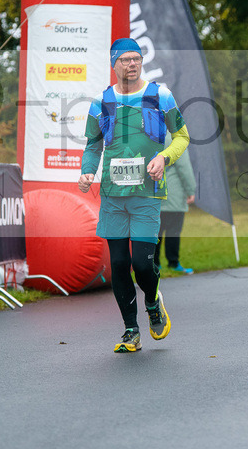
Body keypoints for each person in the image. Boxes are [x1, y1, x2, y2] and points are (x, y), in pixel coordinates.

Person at [78, 38, 190, 353]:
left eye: (136, 58)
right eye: (125, 59)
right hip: (113, 197)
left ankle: (153, 302)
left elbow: (182, 136)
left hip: (147, 194)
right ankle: (131, 330)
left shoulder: (161, 96)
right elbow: (92, 145)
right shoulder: (101, 103)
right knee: (119, 263)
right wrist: (87, 171)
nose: (132, 63)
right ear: (114, 64)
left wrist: (164, 157)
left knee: (142, 263)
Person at [155, 130, 197, 274]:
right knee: (173, 230)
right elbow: (184, 168)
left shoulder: (150, 137)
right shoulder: (176, 141)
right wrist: (191, 190)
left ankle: (155, 263)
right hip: (174, 194)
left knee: (156, 231)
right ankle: (173, 263)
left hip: (154, 192)